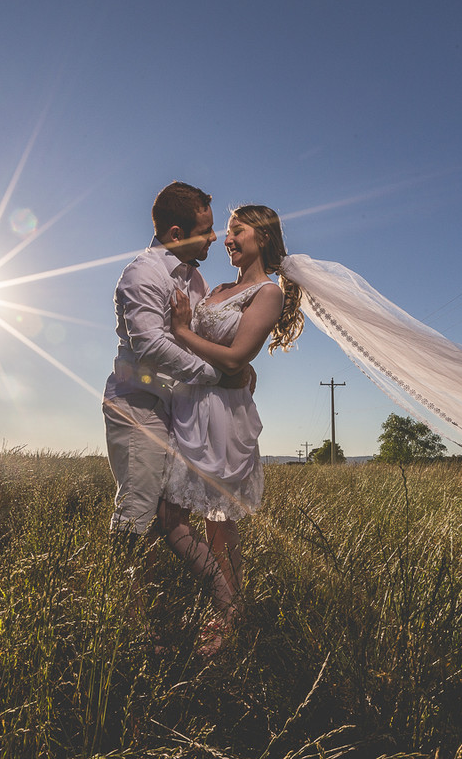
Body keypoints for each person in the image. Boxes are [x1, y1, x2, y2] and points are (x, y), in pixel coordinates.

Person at [102, 181, 250, 633]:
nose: (213, 239)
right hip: (138, 407)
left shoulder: (194, 277)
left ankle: (220, 607)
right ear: (174, 232)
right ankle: (125, 621)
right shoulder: (143, 274)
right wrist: (213, 375)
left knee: (173, 514)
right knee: (140, 509)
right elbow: (149, 346)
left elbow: (200, 335)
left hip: (178, 410)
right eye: (205, 231)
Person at [159, 204, 304, 655]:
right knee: (173, 518)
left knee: (217, 522)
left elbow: (237, 358)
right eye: (226, 232)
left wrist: (183, 331)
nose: (227, 239)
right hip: (188, 405)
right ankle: (228, 603)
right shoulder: (218, 288)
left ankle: (228, 615)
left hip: (222, 413)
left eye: (237, 231)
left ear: (261, 236)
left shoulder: (268, 294)